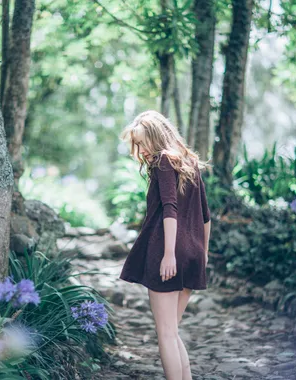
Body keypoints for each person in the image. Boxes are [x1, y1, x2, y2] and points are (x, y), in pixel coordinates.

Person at [118, 110, 212, 380]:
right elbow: (206, 218)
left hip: (169, 251)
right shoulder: (188, 163)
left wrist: (169, 254)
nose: (141, 149)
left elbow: (169, 209)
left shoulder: (162, 162)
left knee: (166, 334)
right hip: (192, 252)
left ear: (158, 138)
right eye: (136, 144)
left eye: (144, 141)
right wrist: (202, 254)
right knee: (172, 332)